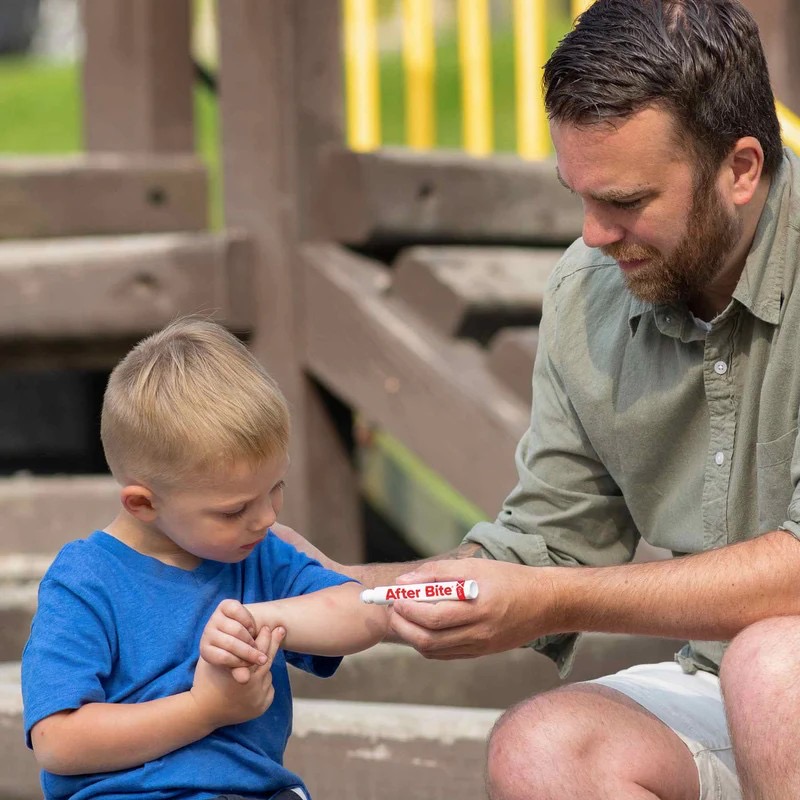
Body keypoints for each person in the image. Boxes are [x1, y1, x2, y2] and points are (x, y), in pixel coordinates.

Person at [276, 1, 800, 797]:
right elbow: (551, 543)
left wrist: (547, 599)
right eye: (578, 195)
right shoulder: (587, 291)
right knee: (541, 751)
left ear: (742, 169)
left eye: (625, 202)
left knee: (772, 666)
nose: (592, 234)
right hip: (737, 687)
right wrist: (361, 590)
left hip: (777, 679)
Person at [21, 318, 388, 800]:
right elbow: (58, 742)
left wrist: (256, 619)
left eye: (275, 487)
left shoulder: (259, 556)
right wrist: (205, 709)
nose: (266, 517)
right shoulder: (84, 582)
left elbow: (365, 612)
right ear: (143, 504)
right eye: (235, 509)